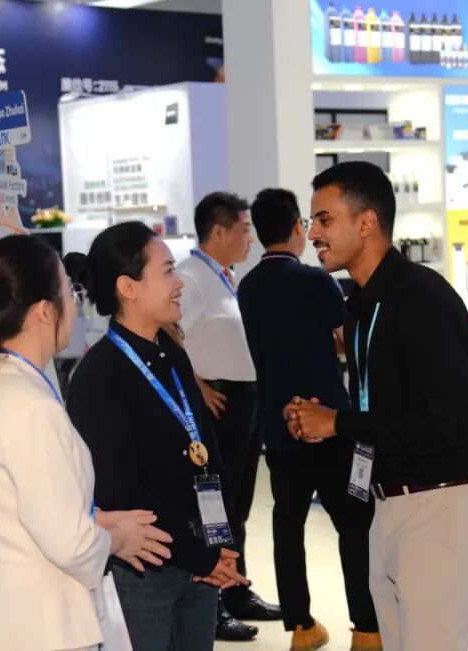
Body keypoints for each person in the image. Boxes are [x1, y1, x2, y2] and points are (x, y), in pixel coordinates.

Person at [284, 161, 468, 651]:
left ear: (366, 223)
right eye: (311, 220)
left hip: (440, 504)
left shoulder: (422, 298)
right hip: (388, 503)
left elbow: (445, 424)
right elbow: (385, 408)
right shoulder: (363, 305)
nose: (312, 233)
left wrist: (339, 423)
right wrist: (324, 422)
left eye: (324, 219)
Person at [0, 234, 173, 651]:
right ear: (44, 311)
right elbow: (72, 546)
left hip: (3, 620)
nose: (76, 305)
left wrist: (99, 520)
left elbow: (20, 510)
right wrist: (119, 539)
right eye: (69, 291)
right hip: (39, 628)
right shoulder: (30, 407)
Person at [67, 222, 249, 651]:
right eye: (167, 271)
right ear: (128, 288)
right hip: (145, 570)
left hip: (199, 565)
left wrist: (220, 543)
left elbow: (208, 458)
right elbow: (122, 491)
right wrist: (202, 555)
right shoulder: (99, 376)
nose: (179, 282)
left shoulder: (174, 358)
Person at [238, 188, 381, 651]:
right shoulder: (315, 281)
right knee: (353, 525)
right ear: (298, 227)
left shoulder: (248, 288)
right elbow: (345, 340)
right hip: (330, 422)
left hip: (279, 426)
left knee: (287, 527)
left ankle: (301, 626)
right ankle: (366, 628)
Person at [176, 192, 281, 640]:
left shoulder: (226, 275)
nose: (250, 237)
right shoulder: (190, 276)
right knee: (215, 504)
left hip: (246, 401)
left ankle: (237, 588)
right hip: (219, 401)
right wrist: (197, 383)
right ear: (218, 231)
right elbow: (168, 329)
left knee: (239, 502)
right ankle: (213, 603)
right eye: (244, 229)